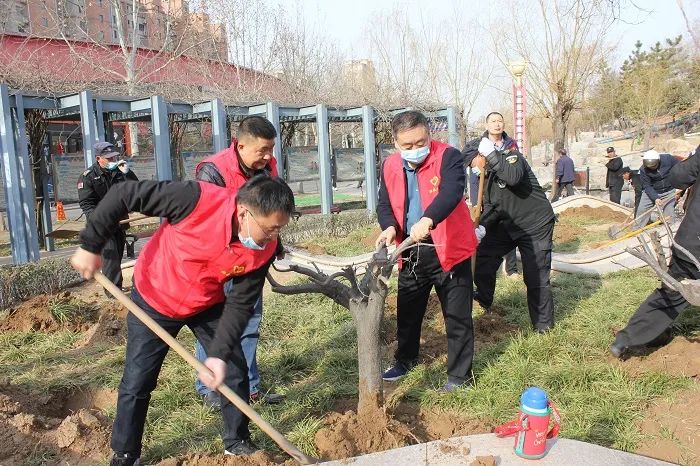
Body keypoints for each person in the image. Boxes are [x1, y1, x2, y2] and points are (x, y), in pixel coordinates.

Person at [71, 175, 295, 465]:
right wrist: (90, 244)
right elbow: (123, 193)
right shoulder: (194, 199)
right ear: (244, 213)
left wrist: (218, 355)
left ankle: (237, 441)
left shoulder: (264, 249)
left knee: (234, 367)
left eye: (279, 229)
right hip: (154, 296)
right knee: (138, 380)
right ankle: (126, 452)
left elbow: (240, 305)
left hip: (206, 301)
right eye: (269, 229)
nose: (273, 237)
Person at [376, 110, 478, 392]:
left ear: (429, 135)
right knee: (408, 311)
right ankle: (405, 360)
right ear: (395, 143)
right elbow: (384, 203)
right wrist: (389, 227)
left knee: (457, 315)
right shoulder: (390, 165)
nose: (415, 149)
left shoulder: (448, 156)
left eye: (421, 143)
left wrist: (428, 219)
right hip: (411, 250)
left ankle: (459, 376)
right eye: (407, 145)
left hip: (448, 248)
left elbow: (451, 192)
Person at [194, 116, 284, 408]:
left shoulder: (267, 167)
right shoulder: (213, 171)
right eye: (262, 150)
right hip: (220, 261)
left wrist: (276, 243)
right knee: (215, 325)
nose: (268, 156)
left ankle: (249, 387)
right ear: (241, 145)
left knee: (249, 320)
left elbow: (271, 210)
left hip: (253, 257)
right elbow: (204, 220)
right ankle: (211, 389)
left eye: (271, 149)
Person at [464, 113, 556, 333]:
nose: (477, 165)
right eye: (473, 164)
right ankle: (483, 299)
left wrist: (492, 155)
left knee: (535, 275)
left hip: (534, 224)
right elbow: (492, 205)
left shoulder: (513, 157)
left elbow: (512, 178)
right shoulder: (485, 178)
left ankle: (543, 326)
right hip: (508, 224)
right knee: (484, 258)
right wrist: (482, 226)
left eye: (478, 160)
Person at [610, 146, 700, 358]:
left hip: (693, 241)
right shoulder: (645, 171)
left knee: (674, 290)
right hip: (693, 240)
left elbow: (678, 177)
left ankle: (629, 337)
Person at [77, 142, 138, 294]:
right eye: (109, 158)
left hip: (120, 222)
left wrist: (128, 174)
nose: (113, 161)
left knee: (117, 256)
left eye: (114, 157)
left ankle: (117, 289)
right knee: (110, 259)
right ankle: (114, 294)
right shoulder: (88, 177)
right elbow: (87, 204)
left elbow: (137, 189)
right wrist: (100, 219)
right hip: (102, 226)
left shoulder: (120, 172)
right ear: (99, 158)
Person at [465, 112, 520, 279]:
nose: (497, 124)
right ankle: (482, 271)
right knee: (484, 230)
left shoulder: (511, 145)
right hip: (487, 194)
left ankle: (511, 268)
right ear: (486, 125)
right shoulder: (477, 145)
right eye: (493, 121)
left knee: (510, 230)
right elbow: (471, 172)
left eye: (500, 121)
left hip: (508, 195)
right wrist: (476, 200)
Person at [634, 150, 679, 229]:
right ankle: (636, 231)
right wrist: (655, 198)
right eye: (650, 167)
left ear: (658, 161)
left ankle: (670, 230)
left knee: (669, 214)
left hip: (669, 191)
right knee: (642, 211)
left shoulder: (668, 159)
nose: (652, 168)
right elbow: (647, 186)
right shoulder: (643, 169)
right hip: (652, 191)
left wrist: (679, 188)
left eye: (653, 166)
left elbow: (680, 168)